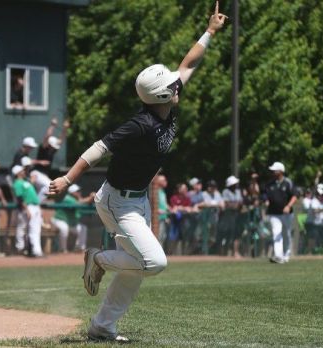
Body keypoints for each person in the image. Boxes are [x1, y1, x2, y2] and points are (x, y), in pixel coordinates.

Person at [48, 5, 227, 342]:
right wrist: (68, 179)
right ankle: (97, 258)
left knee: (135, 269)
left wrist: (211, 31)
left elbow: (189, 63)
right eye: (172, 85)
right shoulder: (140, 125)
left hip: (137, 201)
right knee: (153, 263)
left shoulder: (167, 102)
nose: (179, 84)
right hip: (117, 203)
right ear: (162, 94)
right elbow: (98, 148)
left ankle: (102, 326)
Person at [263, 162, 297, 263]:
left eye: (275, 170)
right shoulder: (270, 184)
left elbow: (294, 196)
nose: (273, 172)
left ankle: (286, 254)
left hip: (287, 213)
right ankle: (278, 256)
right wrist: (265, 200)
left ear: (281, 171)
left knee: (286, 234)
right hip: (274, 213)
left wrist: (288, 206)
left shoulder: (288, 182)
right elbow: (264, 194)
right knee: (276, 232)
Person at [51, 184, 94, 253]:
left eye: (79, 191)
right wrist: (91, 197)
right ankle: (63, 249)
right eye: (77, 191)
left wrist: (92, 198)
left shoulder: (76, 198)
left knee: (83, 228)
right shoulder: (67, 198)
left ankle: (79, 248)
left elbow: (83, 201)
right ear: (72, 193)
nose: (79, 192)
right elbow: (80, 203)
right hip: (59, 220)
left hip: (70, 222)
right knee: (64, 228)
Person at [11, 165, 43, 257]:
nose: (24, 172)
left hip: (35, 206)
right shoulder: (17, 183)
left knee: (36, 229)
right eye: (22, 171)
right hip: (28, 207)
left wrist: (39, 208)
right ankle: (25, 249)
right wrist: (27, 210)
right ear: (17, 173)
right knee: (27, 229)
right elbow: (20, 199)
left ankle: (36, 250)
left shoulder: (25, 181)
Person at [221, 175, 243, 258]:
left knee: (237, 234)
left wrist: (235, 205)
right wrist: (235, 205)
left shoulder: (238, 191)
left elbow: (240, 203)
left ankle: (236, 252)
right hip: (228, 216)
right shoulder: (225, 192)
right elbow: (227, 204)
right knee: (228, 233)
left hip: (237, 215)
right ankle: (225, 252)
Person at [169, 183, 194, 255]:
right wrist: (183, 208)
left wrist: (180, 208)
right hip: (175, 222)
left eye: (186, 189)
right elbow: (174, 208)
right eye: (184, 188)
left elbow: (189, 208)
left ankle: (184, 254)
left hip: (185, 221)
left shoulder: (187, 198)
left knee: (184, 237)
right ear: (179, 190)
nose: (186, 190)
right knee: (174, 238)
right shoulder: (174, 198)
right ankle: (173, 254)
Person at [153, 174, 170, 251]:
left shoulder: (163, 192)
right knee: (158, 236)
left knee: (163, 236)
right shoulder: (155, 192)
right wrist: (157, 211)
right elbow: (152, 205)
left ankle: (160, 252)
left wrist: (167, 215)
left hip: (163, 218)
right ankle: (158, 253)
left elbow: (164, 205)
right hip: (157, 219)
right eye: (164, 180)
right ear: (158, 182)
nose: (166, 182)